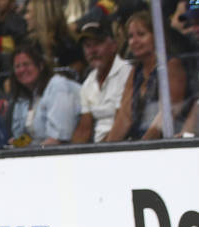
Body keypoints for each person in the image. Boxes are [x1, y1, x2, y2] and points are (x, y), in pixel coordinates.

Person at [106, 10, 188, 142]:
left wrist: (142, 147)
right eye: (130, 37)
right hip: (137, 144)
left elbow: (167, 114)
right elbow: (124, 117)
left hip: (165, 143)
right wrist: (108, 147)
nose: (134, 41)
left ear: (157, 36)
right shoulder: (135, 72)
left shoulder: (171, 66)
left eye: (141, 34)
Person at [7, 42, 81, 146]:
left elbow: (57, 140)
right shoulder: (24, 96)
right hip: (40, 150)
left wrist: (31, 151)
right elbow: (28, 137)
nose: (22, 70)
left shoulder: (58, 86)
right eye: (17, 66)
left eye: (26, 64)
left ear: (41, 66)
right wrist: (17, 143)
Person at [71, 16, 131, 144]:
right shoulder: (88, 82)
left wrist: (101, 150)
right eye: (87, 46)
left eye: (98, 44)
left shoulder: (126, 73)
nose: (92, 51)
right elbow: (84, 129)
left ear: (113, 46)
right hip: (100, 148)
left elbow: (123, 123)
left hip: (121, 145)